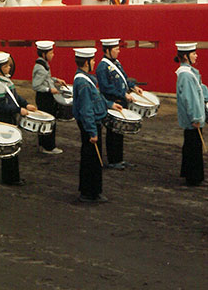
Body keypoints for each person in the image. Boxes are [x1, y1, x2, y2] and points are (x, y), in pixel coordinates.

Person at [72, 47, 123, 203]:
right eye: (92, 60)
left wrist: (110, 104)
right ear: (87, 62)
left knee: (92, 159)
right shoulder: (84, 83)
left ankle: (90, 191)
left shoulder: (84, 79)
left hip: (91, 124)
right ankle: (89, 193)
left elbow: (97, 98)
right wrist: (92, 132)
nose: (94, 62)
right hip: (91, 125)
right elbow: (86, 109)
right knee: (91, 160)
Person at [0, 51, 36, 186]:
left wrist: (25, 104)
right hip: (4, 119)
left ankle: (14, 176)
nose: (9, 68)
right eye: (6, 66)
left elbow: (15, 96)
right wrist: (18, 109)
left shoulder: (5, 80)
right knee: (9, 149)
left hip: (10, 118)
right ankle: (9, 178)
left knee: (14, 148)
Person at [175, 42, 208, 186]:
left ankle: (189, 174)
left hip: (193, 119)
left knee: (191, 145)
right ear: (186, 57)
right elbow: (190, 98)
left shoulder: (190, 72)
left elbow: (201, 90)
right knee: (193, 147)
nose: (196, 55)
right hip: (193, 120)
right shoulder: (186, 75)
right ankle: (193, 178)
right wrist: (196, 118)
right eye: (193, 53)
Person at [96, 38, 142, 169]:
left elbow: (124, 79)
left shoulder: (116, 63)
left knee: (120, 132)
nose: (118, 51)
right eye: (116, 49)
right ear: (108, 50)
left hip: (121, 102)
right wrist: (123, 94)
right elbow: (106, 88)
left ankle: (119, 159)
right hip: (112, 103)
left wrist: (133, 87)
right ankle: (113, 160)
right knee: (113, 132)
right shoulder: (102, 67)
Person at [31, 40, 64, 154]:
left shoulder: (43, 64)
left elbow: (47, 79)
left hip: (45, 97)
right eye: (51, 53)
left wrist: (56, 80)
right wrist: (50, 90)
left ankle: (43, 145)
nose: (53, 55)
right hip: (45, 98)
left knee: (46, 121)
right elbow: (36, 85)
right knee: (49, 121)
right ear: (44, 54)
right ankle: (49, 146)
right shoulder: (40, 67)